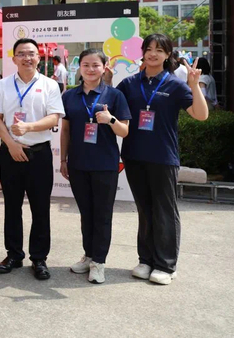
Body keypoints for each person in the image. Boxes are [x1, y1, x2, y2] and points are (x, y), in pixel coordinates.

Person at [117, 34, 208, 285]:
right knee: (145, 209)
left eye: (159, 49)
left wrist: (194, 85)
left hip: (163, 156)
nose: (153, 53)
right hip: (134, 155)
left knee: (164, 211)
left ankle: (166, 265)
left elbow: (201, 115)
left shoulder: (175, 84)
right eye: (149, 49)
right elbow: (111, 106)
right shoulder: (129, 83)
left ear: (168, 54)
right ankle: (146, 260)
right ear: (143, 52)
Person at [0, 38, 64, 280]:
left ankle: (39, 258)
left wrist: (29, 127)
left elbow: (54, 118)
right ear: (14, 59)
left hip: (39, 154)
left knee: (40, 208)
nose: (27, 58)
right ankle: (13, 255)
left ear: (39, 57)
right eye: (22, 53)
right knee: (12, 207)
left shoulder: (49, 85)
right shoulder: (3, 85)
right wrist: (11, 144)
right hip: (10, 153)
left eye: (31, 53)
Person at [60, 49, 131, 284]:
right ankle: (88, 255)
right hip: (78, 164)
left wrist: (111, 120)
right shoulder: (70, 96)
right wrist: (63, 160)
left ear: (104, 67)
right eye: (86, 65)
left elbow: (125, 131)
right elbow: (66, 130)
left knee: (102, 214)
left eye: (95, 65)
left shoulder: (115, 95)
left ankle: (99, 262)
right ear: (79, 67)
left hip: (105, 164)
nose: (90, 69)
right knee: (86, 213)